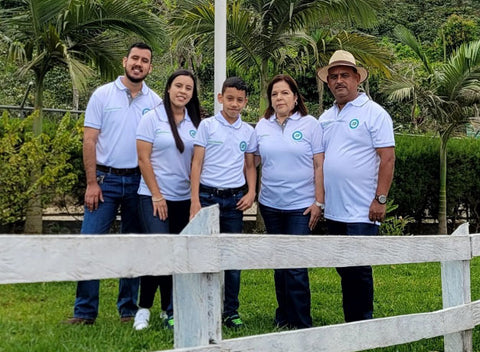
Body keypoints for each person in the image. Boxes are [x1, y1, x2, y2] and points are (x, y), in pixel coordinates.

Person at [64, 43, 162, 325]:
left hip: (137, 182)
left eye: (145, 61)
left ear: (150, 68)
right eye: (135, 58)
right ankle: (84, 312)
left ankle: (128, 310)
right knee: (90, 244)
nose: (139, 64)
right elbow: (90, 140)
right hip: (104, 181)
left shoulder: (155, 102)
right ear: (125, 61)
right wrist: (92, 183)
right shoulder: (102, 95)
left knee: (131, 245)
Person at [317, 50, 395, 322]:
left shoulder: (374, 113)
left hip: (363, 210)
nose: (339, 81)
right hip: (335, 209)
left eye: (345, 76)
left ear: (357, 79)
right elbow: (319, 161)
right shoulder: (325, 118)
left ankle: (363, 322)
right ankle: (351, 320)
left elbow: (387, 158)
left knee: (359, 267)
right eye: (334, 77)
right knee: (343, 266)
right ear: (328, 83)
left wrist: (380, 199)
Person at [133, 69, 201, 331]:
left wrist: (195, 199)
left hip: (184, 199)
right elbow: (143, 159)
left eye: (188, 88)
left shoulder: (196, 123)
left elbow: (198, 162)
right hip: (153, 198)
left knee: (176, 256)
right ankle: (143, 309)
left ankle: (168, 310)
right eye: (178, 86)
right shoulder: (152, 118)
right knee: (159, 253)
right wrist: (157, 195)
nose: (183, 91)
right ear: (169, 88)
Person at [254, 74, 323, 329]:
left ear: (295, 98)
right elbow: (252, 162)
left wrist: (319, 202)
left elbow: (319, 165)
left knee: (295, 266)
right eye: (274, 94)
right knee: (279, 265)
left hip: (301, 207)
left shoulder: (310, 125)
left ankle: (301, 322)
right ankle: (283, 317)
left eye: (284, 93)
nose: (279, 98)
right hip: (270, 205)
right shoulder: (262, 125)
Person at [189, 77, 257, 329]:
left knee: (232, 258)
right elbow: (196, 164)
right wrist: (194, 200)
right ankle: (201, 307)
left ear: (245, 102)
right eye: (230, 98)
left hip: (234, 201)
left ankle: (230, 311)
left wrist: (251, 193)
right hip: (206, 197)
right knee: (202, 255)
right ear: (220, 98)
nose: (234, 104)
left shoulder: (248, 131)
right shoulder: (207, 126)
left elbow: (250, 165)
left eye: (240, 100)